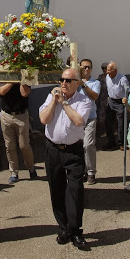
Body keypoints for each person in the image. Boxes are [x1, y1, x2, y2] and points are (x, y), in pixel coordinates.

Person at [39, 68, 92, 249]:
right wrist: (54, 102)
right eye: (62, 80)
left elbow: (78, 121)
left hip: (73, 151)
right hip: (53, 150)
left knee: (75, 190)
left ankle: (76, 230)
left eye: (68, 80)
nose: (63, 83)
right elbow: (44, 119)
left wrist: (65, 103)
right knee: (56, 188)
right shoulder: (51, 96)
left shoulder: (83, 100)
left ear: (77, 83)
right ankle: (64, 228)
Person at [0, 81, 37, 183]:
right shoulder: (3, 74)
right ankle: (14, 172)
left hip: (21, 115)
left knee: (24, 145)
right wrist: (12, 82)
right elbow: (1, 91)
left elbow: (25, 93)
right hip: (6, 115)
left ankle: (31, 168)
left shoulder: (25, 75)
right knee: (9, 146)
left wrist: (21, 80)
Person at [78, 59, 101, 184]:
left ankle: (91, 171)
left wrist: (83, 85)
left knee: (88, 144)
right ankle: (82, 170)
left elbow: (94, 96)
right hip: (77, 118)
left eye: (88, 67)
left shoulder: (95, 82)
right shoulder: (75, 82)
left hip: (90, 117)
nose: (86, 69)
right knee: (78, 146)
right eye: (84, 67)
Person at [104, 62, 130, 150]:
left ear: (115, 70)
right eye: (106, 70)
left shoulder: (122, 79)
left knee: (121, 124)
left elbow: (128, 90)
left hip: (120, 102)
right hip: (111, 101)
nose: (107, 72)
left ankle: (121, 143)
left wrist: (125, 98)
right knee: (108, 122)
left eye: (109, 70)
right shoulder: (107, 77)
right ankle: (111, 142)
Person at [96, 62, 108, 137]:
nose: (104, 70)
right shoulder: (100, 77)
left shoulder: (112, 77)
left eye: (106, 68)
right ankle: (103, 131)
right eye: (103, 68)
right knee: (101, 117)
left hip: (109, 99)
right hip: (101, 99)